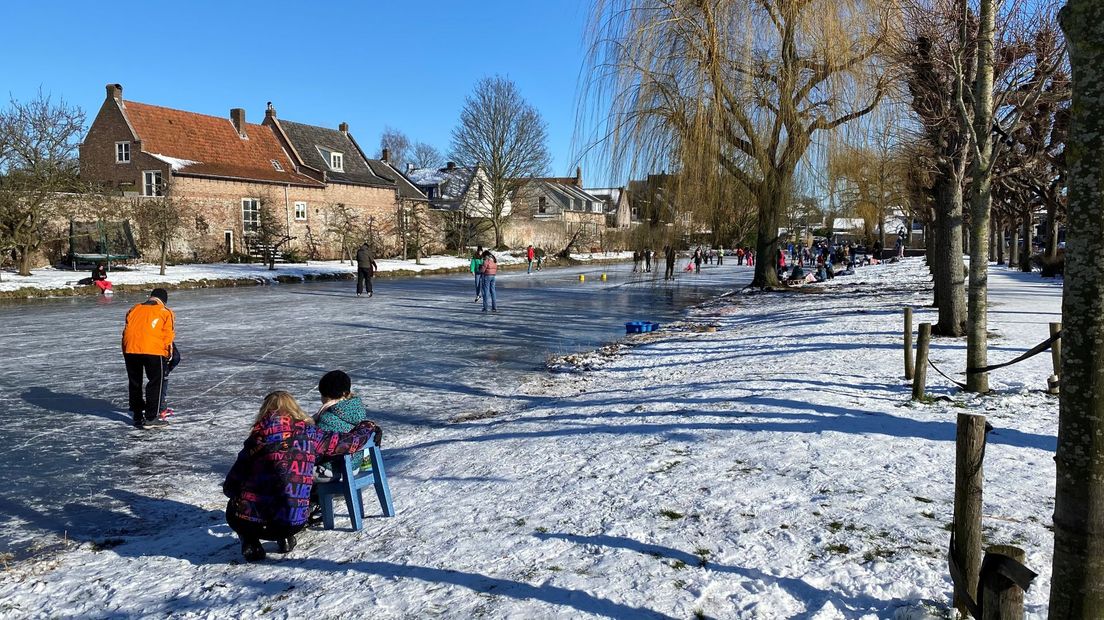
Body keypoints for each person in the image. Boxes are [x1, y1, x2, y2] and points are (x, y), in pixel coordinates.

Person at [223, 390, 381, 562]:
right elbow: (347, 443)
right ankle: (284, 537)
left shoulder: (256, 440)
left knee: (234, 507)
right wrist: (368, 426)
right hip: (293, 523)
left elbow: (230, 486)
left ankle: (250, 541)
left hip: (251, 522)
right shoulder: (310, 434)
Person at [121, 288, 175, 429]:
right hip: (153, 349)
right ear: (163, 300)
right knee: (156, 382)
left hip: (130, 349)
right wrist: (168, 355)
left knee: (135, 383)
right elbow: (168, 335)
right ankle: (151, 417)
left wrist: (126, 351)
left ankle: (138, 415)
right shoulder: (165, 312)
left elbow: (127, 330)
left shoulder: (134, 309)